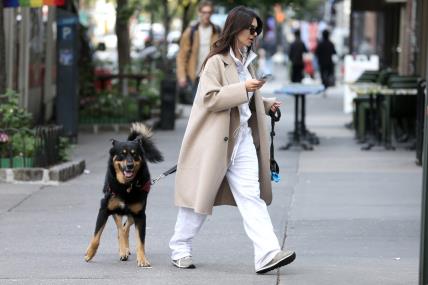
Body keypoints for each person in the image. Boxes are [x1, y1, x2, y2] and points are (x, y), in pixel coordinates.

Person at [169, 6, 296, 274]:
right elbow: (211, 98)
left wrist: (267, 103)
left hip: (243, 139)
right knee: (199, 200)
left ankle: (267, 254)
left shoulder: (248, 61)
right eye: (250, 29)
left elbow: (247, 101)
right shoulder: (215, 62)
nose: (254, 34)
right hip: (216, 142)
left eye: (257, 30)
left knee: (252, 196)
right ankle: (180, 248)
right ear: (235, 29)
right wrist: (243, 88)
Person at [176, 0, 221, 101]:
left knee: (210, 107)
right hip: (195, 76)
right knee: (197, 106)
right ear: (199, 13)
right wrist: (182, 76)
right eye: (204, 12)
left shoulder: (217, 31)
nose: (206, 15)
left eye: (209, 12)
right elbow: (182, 55)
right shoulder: (191, 32)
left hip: (212, 75)